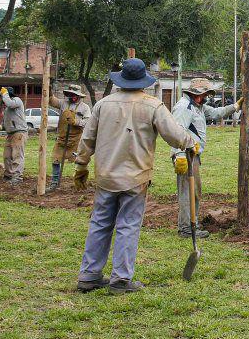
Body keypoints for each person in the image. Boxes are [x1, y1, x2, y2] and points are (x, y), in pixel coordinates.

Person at [71, 58, 195, 294]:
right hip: (136, 178)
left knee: (100, 224)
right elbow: (175, 135)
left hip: (106, 176)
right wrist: (190, 144)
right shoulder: (153, 106)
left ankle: (89, 275)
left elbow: (87, 139)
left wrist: (81, 165)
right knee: (128, 225)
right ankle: (120, 280)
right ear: (143, 82)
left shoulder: (102, 105)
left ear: (121, 80)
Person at [170, 78, 242, 239]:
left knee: (194, 191)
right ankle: (186, 228)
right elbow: (177, 132)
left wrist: (235, 106)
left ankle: (191, 223)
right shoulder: (184, 107)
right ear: (198, 93)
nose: (207, 98)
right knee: (188, 192)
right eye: (206, 94)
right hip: (186, 155)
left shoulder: (198, 106)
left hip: (193, 155)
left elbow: (216, 113)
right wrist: (179, 155)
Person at [49, 85, 92, 190]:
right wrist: (48, 89)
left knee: (80, 160)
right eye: (70, 94)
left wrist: (75, 122)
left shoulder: (85, 107)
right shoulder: (63, 103)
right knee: (55, 159)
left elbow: (88, 122)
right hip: (62, 138)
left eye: (73, 95)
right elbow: (52, 101)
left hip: (76, 139)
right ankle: (55, 183)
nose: (71, 97)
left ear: (78, 96)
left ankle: (80, 183)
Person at [0, 86, 27, 184]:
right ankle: (9, 175)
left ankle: (17, 177)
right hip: (10, 134)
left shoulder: (16, 100)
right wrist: (0, 127)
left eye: (4, 97)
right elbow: (8, 120)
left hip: (19, 132)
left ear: (8, 95)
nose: (2, 99)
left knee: (17, 155)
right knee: (7, 156)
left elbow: (10, 104)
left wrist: (4, 94)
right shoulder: (7, 109)